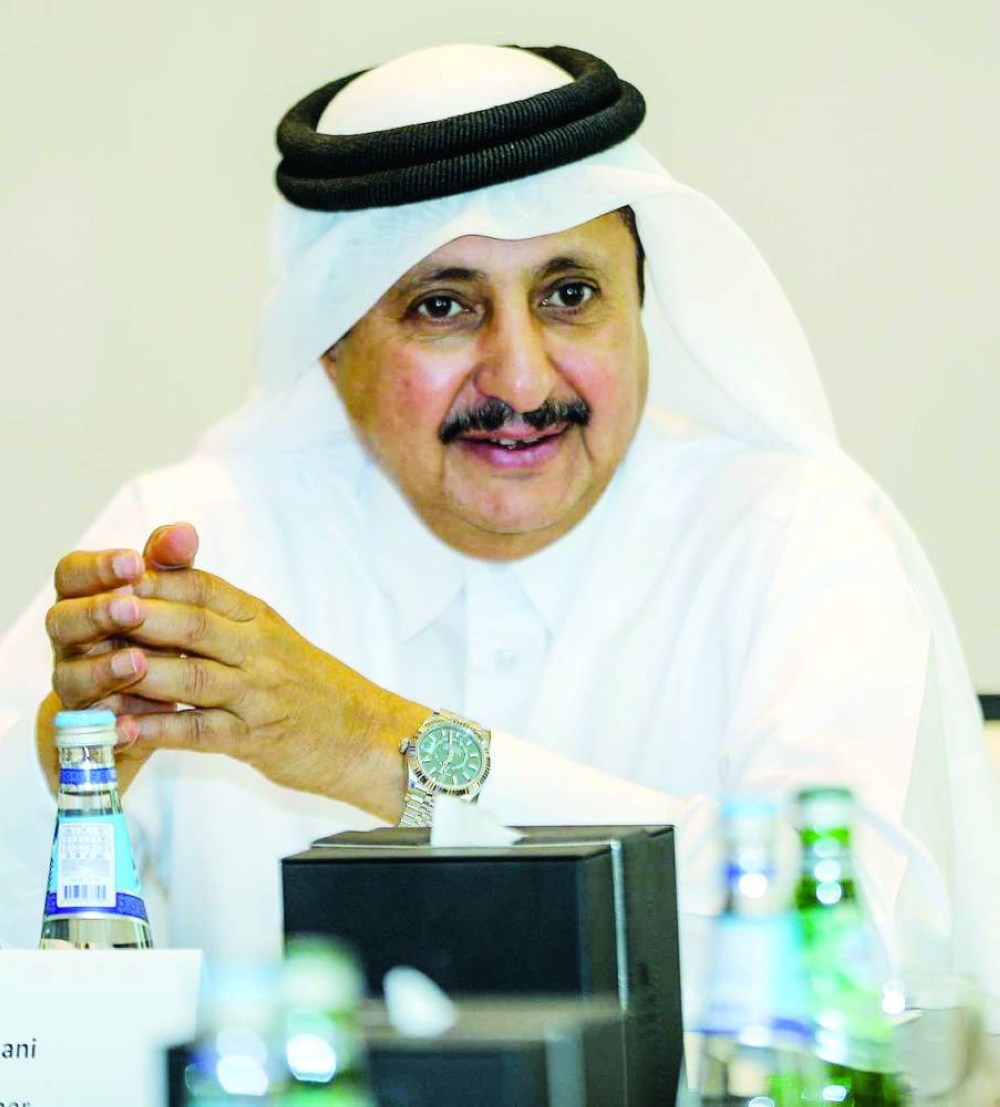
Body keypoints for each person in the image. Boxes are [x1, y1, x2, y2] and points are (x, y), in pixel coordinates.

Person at [0, 42, 997, 1027]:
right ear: (334, 347)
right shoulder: (193, 555)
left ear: (638, 306)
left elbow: (841, 966)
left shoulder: (791, 537)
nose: (520, 381)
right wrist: (57, 780)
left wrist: (379, 748)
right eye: (443, 307)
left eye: (570, 296)